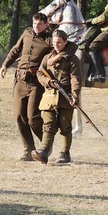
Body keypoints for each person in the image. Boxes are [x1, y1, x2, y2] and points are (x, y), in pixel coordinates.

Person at [0, 13, 53, 161]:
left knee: (33, 117)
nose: (37, 26)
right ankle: (29, 149)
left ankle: (46, 146)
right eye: (35, 23)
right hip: (20, 80)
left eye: (40, 24)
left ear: (46, 25)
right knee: (19, 117)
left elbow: (59, 53)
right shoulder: (27, 33)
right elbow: (15, 50)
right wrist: (5, 65)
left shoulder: (50, 40)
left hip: (36, 82)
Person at [32, 29, 82, 165]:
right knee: (48, 126)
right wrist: (48, 82)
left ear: (65, 42)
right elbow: (39, 74)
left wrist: (75, 97)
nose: (56, 45)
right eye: (54, 42)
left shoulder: (73, 60)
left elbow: (76, 79)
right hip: (49, 97)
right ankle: (43, 152)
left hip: (65, 98)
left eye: (59, 42)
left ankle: (65, 154)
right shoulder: (47, 58)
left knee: (65, 127)